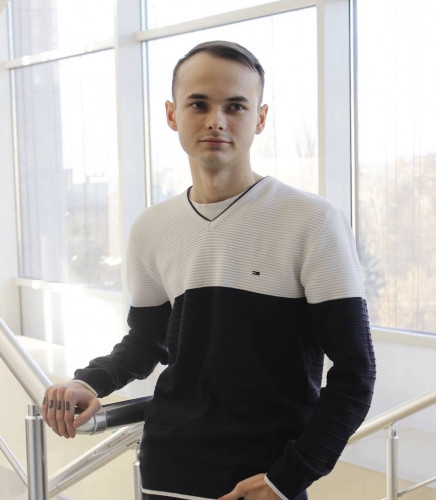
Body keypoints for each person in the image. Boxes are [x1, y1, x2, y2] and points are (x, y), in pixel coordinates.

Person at [42, 41, 376, 500]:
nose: (216, 120)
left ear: (260, 118)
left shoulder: (313, 221)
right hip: (164, 473)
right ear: (172, 114)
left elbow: (356, 372)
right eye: (198, 104)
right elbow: (146, 341)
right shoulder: (152, 228)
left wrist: (289, 477)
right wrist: (89, 381)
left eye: (235, 106)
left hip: (262, 481)